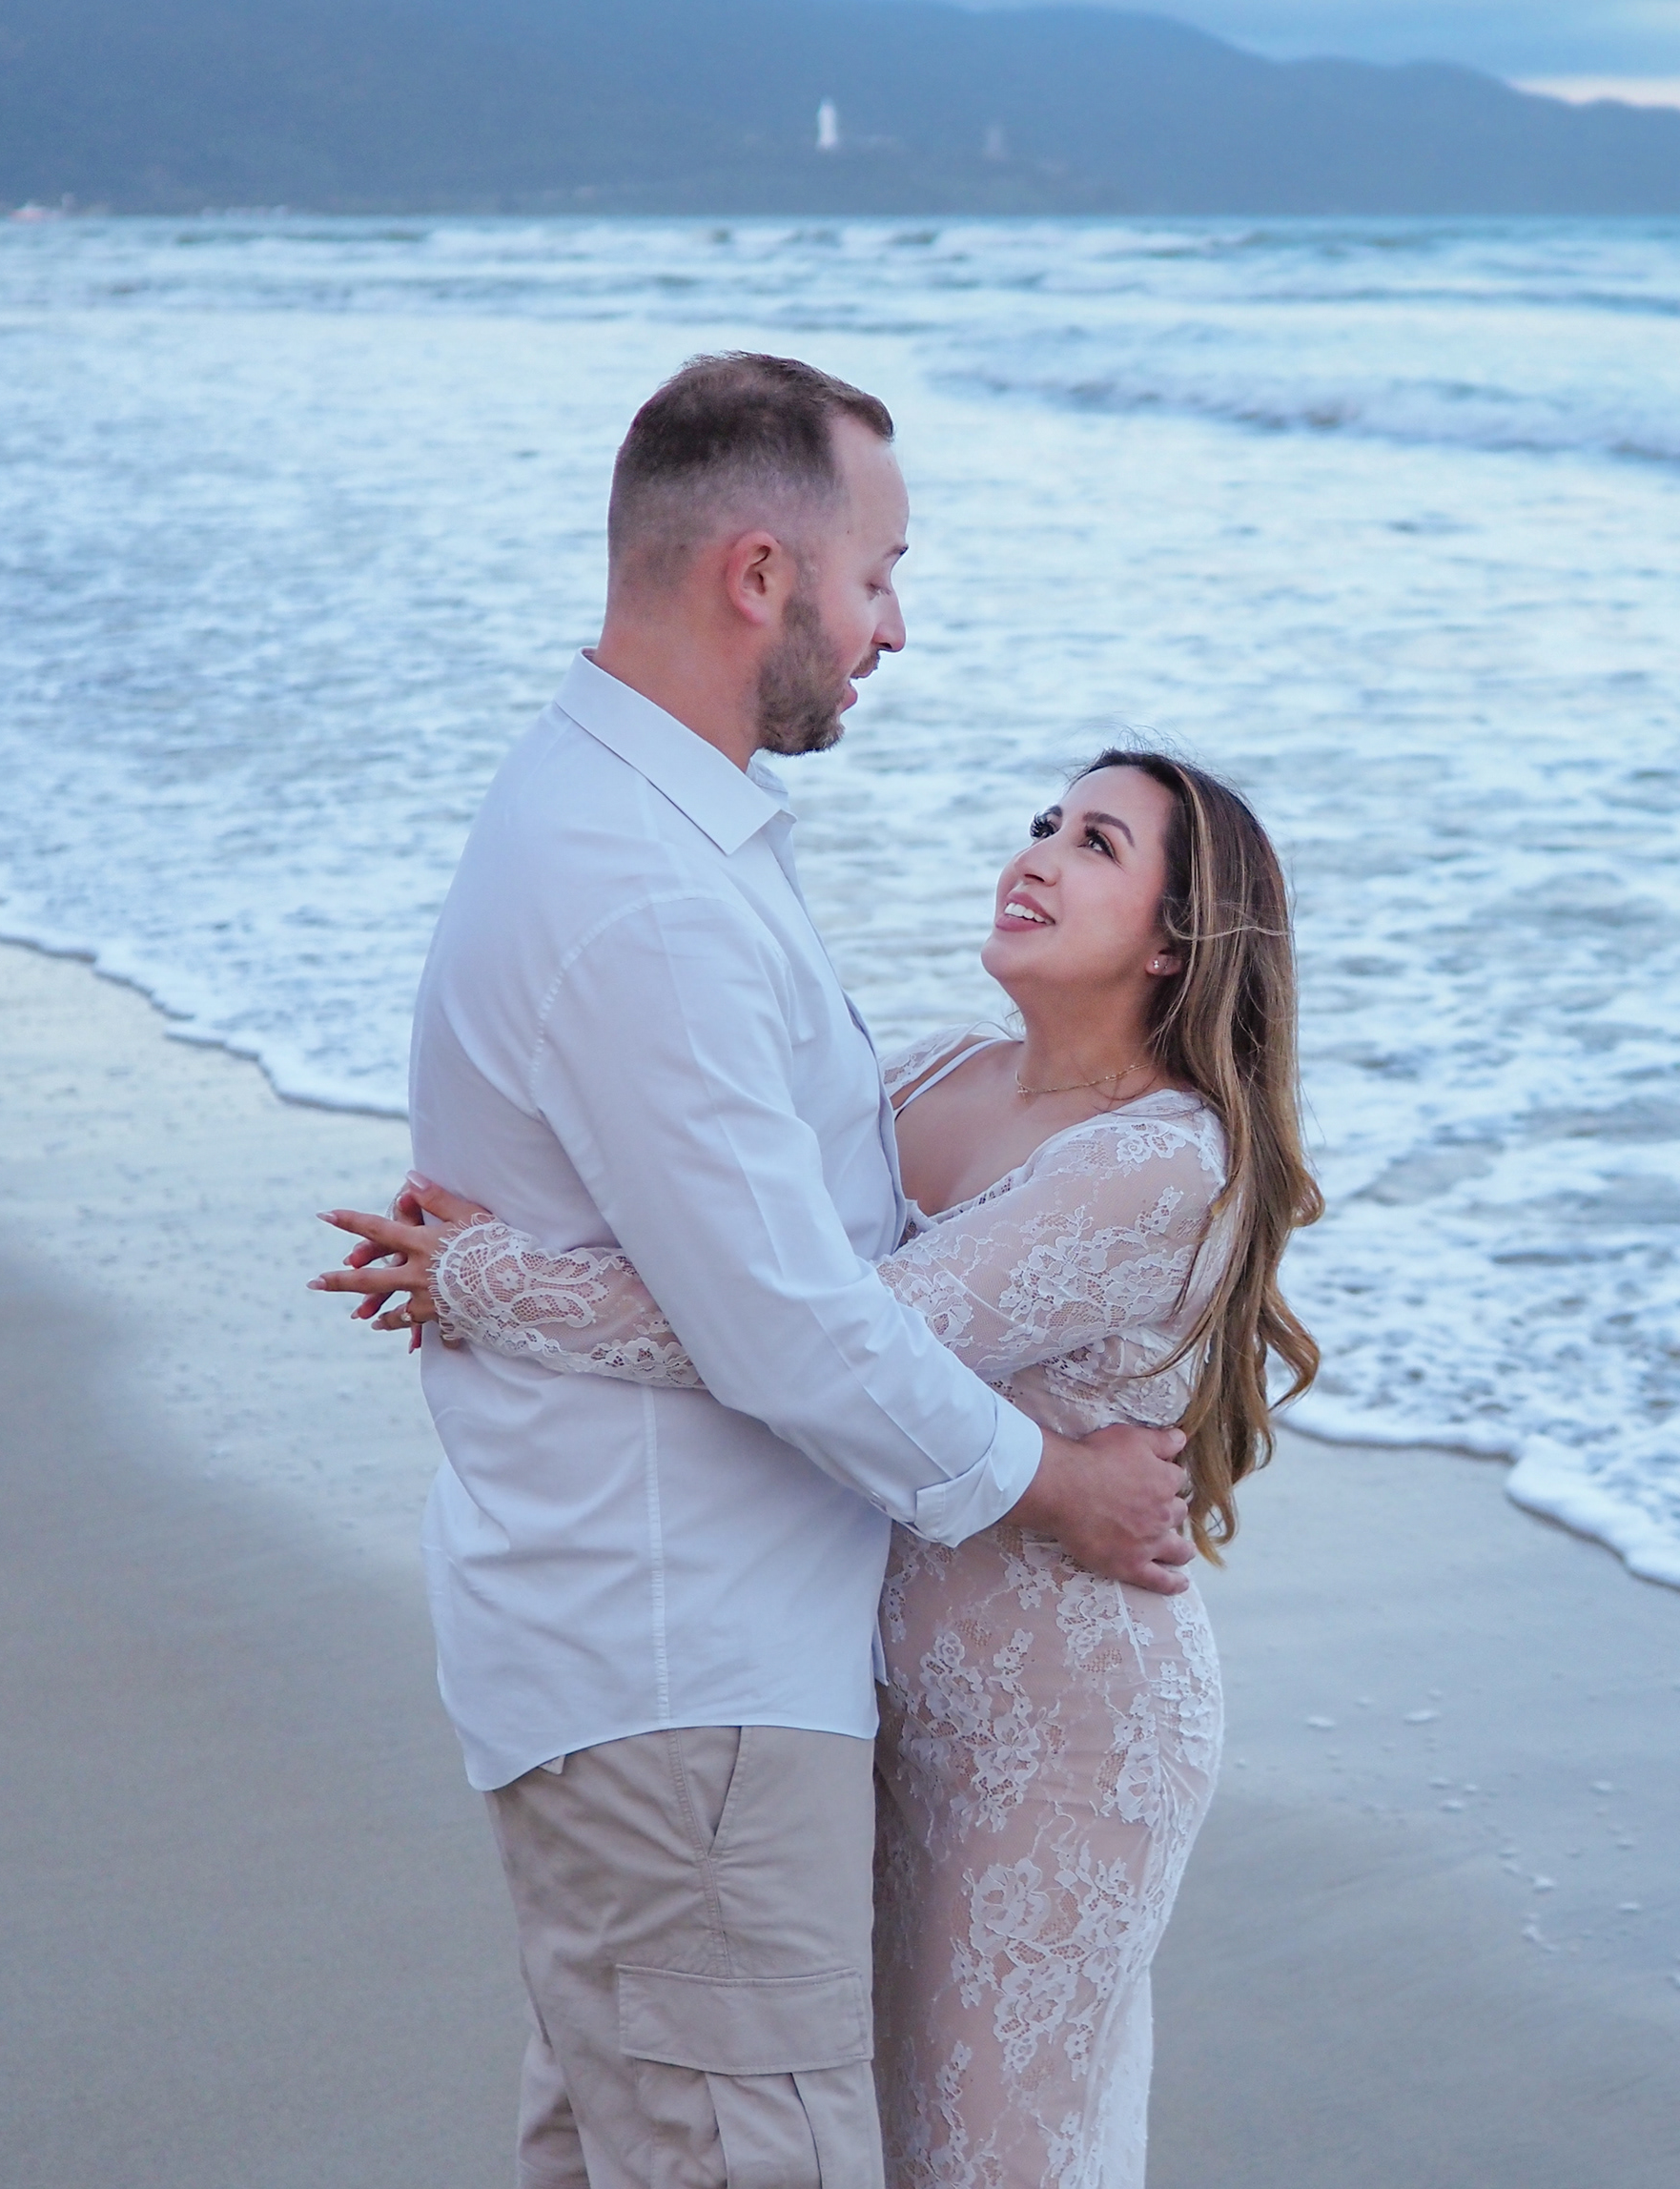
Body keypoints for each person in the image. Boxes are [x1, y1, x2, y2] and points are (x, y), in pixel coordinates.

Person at [335, 354, 1201, 2189]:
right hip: (689, 1685)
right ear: (759, 576)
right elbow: (796, 1328)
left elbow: (805, 1266)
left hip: (673, 1671)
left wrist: (501, 1285)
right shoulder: (643, 883)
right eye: (876, 573)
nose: (894, 625)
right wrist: (1052, 1482)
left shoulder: (640, 829)